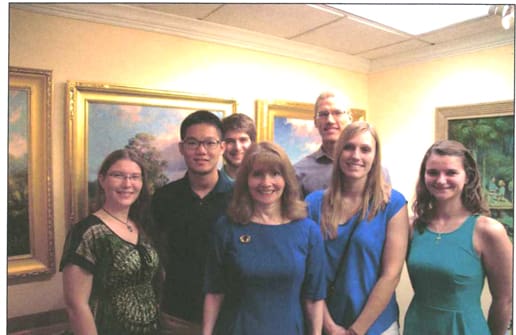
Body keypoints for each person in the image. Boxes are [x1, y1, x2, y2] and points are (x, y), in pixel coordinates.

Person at [203, 141, 326, 335]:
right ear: (246, 180)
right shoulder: (226, 228)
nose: (266, 183)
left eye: (275, 174)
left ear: (286, 179)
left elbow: (314, 297)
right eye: (257, 174)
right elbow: (215, 291)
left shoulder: (308, 231)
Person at [305, 121, 409, 335]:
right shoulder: (313, 204)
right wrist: (330, 327)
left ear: (375, 157)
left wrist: (355, 331)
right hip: (323, 324)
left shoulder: (393, 205)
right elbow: (309, 273)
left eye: (365, 149)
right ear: (338, 152)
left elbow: (391, 275)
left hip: (377, 326)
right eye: (349, 147)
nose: (356, 155)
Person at [404, 140, 513, 335]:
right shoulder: (411, 227)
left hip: (464, 328)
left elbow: (504, 300)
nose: (441, 180)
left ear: (468, 177)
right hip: (417, 326)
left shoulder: (488, 231)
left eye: (451, 173)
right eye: (433, 172)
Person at [60, 149, 161, 335]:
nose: (127, 183)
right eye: (118, 175)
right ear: (102, 179)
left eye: (135, 177)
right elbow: (76, 306)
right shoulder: (88, 232)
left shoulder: (142, 225)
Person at [152, 110, 233, 335]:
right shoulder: (164, 198)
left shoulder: (240, 198)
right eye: (193, 143)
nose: (201, 151)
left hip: (231, 315)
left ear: (222, 147)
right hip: (178, 316)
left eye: (209, 143)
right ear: (181, 148)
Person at [295, 92, 390, 197]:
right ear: (315, 122)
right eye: (323, 114)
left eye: (337, 112)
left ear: (350, 118)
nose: (330, 120)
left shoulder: (379, 171)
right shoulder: (299, 172)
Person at [220, 113, 256, 182]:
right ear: (221, 145)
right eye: (230, 141)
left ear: (253, 143)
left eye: (243, 140)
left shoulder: (264, 185)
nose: (237, 147)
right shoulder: (211, 185)